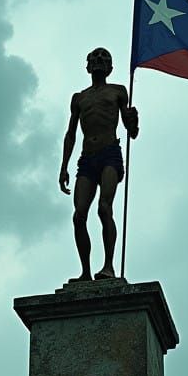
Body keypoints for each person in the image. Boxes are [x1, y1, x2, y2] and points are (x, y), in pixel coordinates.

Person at [59, 47, 139, 281]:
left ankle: (108, 266)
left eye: (104, 58)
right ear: (87, 66)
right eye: (94, 57)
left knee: (104, 207)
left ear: (110, 67)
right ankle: (85, 271)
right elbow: (71, 133)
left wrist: (134, 122)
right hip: (87, 158)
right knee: (78, 216)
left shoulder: (118, 91)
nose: (99, 60)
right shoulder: (79, 98)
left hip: (109, 154)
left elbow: (130, 130)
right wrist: (64, 165)